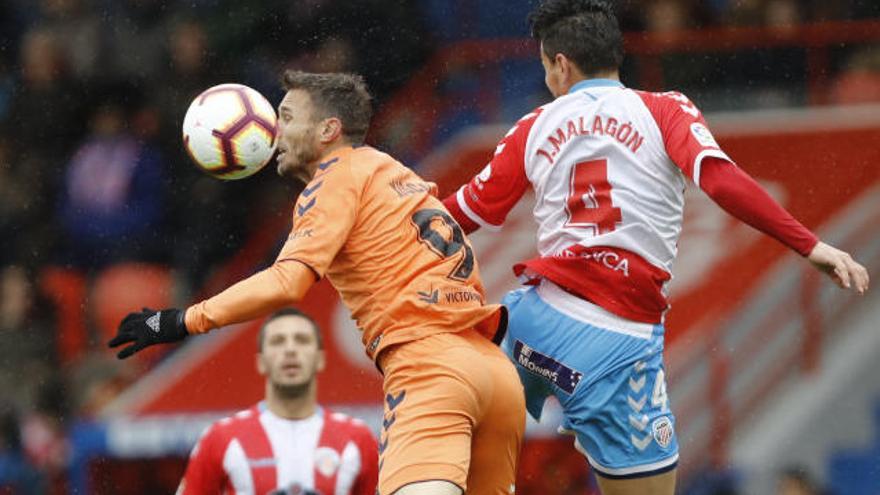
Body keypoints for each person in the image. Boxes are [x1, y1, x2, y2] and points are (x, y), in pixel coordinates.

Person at [440, 1, 870, 494]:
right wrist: (811, 246)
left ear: (560, 64)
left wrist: (390, 217)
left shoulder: (533, 125)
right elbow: (722, 181)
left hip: (533, 321)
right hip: (614, 340)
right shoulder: (664, 109)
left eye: (545, 66)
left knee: (461, 448)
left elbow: (457, 218)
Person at [109, 71, 525, 495]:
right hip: (493, 372)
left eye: (287, 116)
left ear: (329, 130)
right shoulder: (396, 173)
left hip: (431, 366)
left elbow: (286, 283)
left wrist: (181, 321)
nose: (275, 130)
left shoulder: (334, 178)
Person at [178, 308, 378, 494]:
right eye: (278, 341)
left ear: (320, 359)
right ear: (261, 362)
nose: (290, 349)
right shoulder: (220, 438)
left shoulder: (359, 439)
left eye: (302, 340)